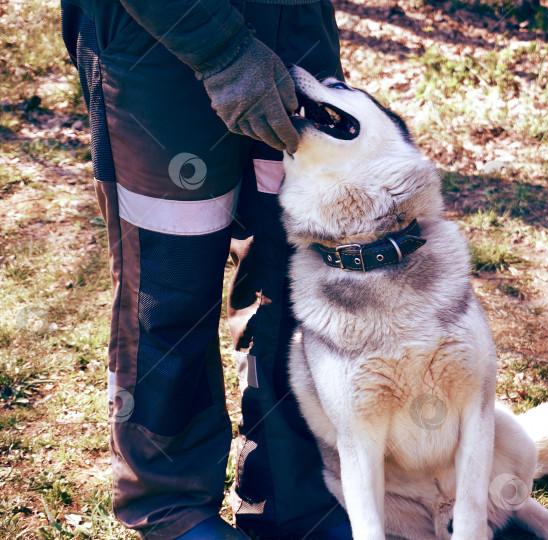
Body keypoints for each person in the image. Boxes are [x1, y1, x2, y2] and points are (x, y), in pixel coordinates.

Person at [60, 0, 351, 538]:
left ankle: (296, 490)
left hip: (298, 35)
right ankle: (172, 505)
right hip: (158, 47)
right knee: (170, 290)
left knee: (300, 279)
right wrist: (226, 53)